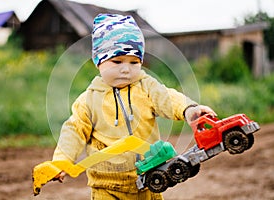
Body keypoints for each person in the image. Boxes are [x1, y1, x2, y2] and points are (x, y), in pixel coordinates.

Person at [52, 13, 216, 200]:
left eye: (134, 62)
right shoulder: (88, 100)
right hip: (106, 188)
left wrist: (189, 109)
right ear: (98, 61)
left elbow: (167, 98)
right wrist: (62, 161)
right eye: (117, 61)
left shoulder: (146, 87)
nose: (126, 69)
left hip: (150, 182)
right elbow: (73, 131)